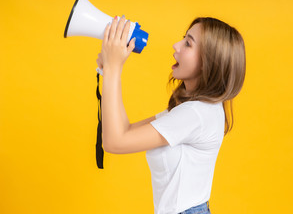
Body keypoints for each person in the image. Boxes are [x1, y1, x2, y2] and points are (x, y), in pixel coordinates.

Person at [96, 15, 246, 214]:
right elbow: (125, 131)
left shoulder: (196, 114)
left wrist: (114, 68)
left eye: (188, 44)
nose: (176, 46)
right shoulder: (199, 109)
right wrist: (111, 71)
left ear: (208, 62)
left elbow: (114, 142)